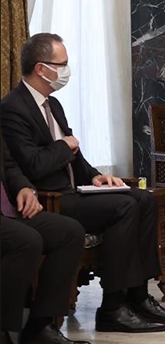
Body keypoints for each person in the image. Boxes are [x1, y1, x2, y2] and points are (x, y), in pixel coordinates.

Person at [1, 33, 165, 333]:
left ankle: (139, 296)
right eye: (62, 64)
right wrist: (63, 146)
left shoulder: (53, 105)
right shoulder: (12, 107)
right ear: (41, 68)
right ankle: (113, 307)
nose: (67, 70)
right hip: (53, 198)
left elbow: (75, 155)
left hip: (75, 191)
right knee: (123, 207)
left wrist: (94, 176)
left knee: (142, 198)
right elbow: (32, 164)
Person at [1, 131, 88, 344]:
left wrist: (24, 188)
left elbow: (8, 165)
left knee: (68, 232)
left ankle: (40, 327)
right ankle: (3, 330)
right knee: (26, 240)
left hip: (7, 211)